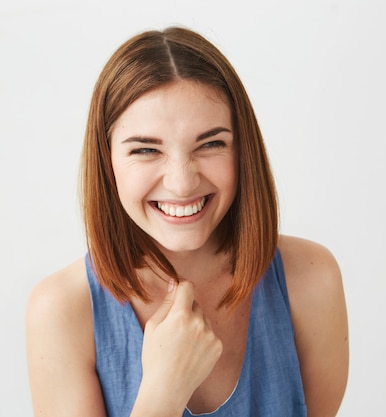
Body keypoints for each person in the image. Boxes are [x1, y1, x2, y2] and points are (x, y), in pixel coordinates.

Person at [26, 26, 348, 417]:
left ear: (242, 151)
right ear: (107, 163)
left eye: (211, 143)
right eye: (146, 149)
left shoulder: (310, 280)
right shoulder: (62, 310)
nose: (182, 182)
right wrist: (163, 391)